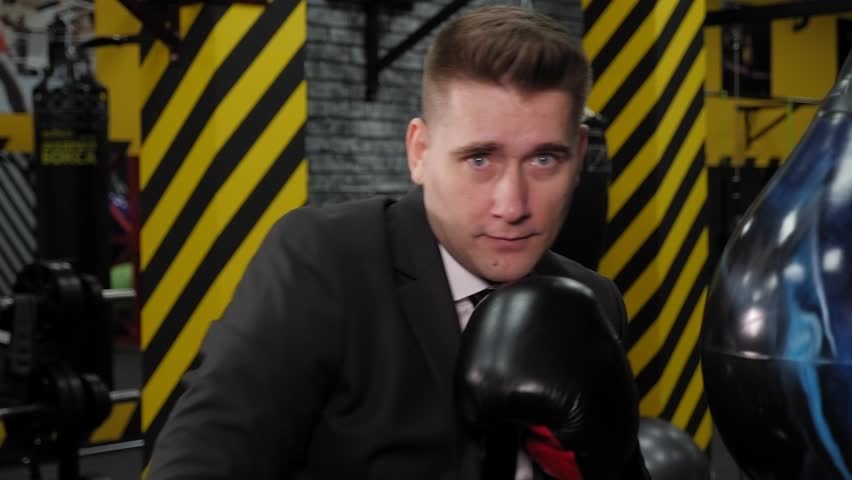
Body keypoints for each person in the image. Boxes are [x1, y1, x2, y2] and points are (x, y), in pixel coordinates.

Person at [147, 5, 648, 479]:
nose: (512, 205)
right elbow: (198, 465)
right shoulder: (325, 265)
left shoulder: (594, 301)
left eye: (544, 160)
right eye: (479, 159)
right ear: (420, 152)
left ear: (579, 156)